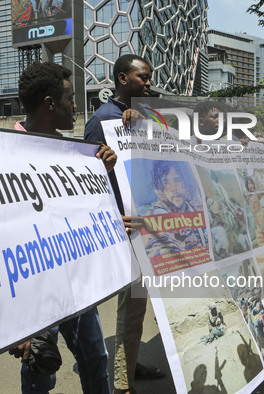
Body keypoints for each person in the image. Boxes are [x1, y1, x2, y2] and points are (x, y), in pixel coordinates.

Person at [12, 61, 117, 394]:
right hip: (34, 290)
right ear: (49, 104)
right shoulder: (2, 155)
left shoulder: (75, 154)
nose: (76, 106)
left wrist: (105, 174)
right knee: (41, 369)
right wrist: (19, 326)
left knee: (95, 358)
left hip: (75, 280)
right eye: (71, 98)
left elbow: (84, 213)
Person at [84, 54, 162, 394]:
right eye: (142, 77)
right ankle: (122, 382)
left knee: (142, 306)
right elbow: (84, 181)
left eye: (149, 77)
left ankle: (129, 364)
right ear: (121, 78)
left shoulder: (144, 116)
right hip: (127, 230)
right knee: (131, 307)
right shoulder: (103, 121)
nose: (147, 82)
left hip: (152, 225)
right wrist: (113, 219)